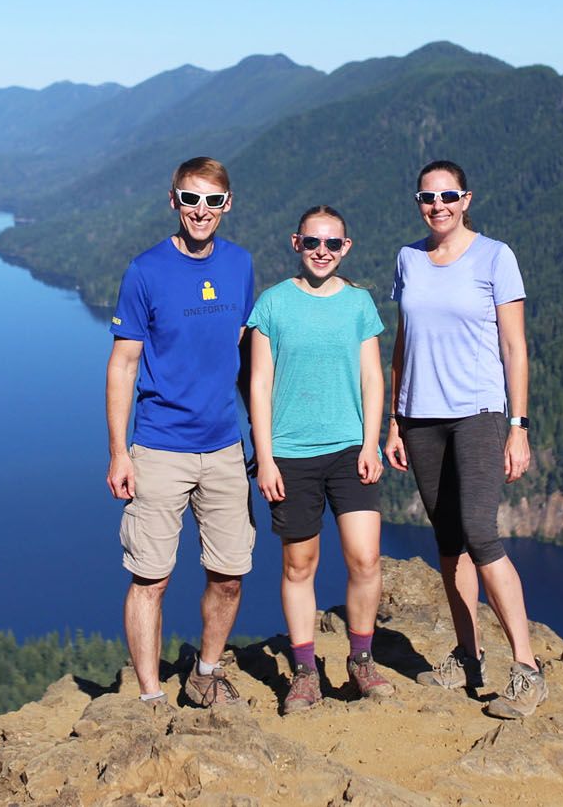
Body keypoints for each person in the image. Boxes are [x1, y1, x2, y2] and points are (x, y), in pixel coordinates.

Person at [384, 160, 545, 719]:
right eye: (428, 197)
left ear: (467, 198)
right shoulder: (408, 259)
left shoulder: (496, 257)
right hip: (420, 418)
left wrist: (518, 427)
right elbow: (403, 341)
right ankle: (468, 656)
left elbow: (515, 348)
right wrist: (394, 420)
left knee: (480, 533)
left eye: (448, 195)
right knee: (449, 540)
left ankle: (526, 669)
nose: (438, 205)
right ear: (418, 202)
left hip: (477, 413)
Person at [106, 156, 255, 707]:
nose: (201, 211)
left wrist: (259, 443)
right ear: (173, 201)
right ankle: (149, 698)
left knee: (231, 574)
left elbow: (245, 358)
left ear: (227, 205)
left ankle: (205, 674)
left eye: (212, 201)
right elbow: (123, 365)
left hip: (223, 448)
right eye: (190, 199)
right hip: (159, 447)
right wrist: (119, 453)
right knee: (151, 579)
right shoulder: (144, 271)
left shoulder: (240, 265)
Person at [248, 206, 392, 713]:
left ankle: (360, 660)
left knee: (365, 558)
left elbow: (373, 377)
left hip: (350, 449)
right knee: (299, 564)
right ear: (296, 243)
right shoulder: (272, 304)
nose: (322, 252)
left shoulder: (358, 303)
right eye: (313, 243)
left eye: (332, 244)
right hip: (290, 453)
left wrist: (371, 443)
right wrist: (264, 459)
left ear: (346, 247)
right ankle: (305, 669)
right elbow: (259, 384)